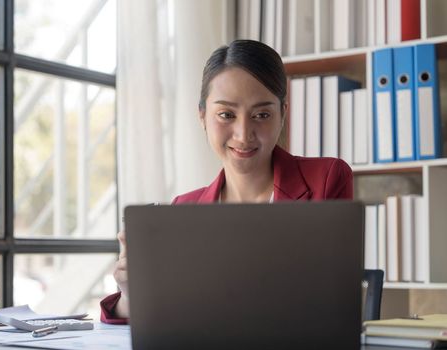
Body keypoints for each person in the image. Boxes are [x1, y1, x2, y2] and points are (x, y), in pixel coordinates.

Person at [100, 40, 353, 324]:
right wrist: (133, 294)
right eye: (226, 115)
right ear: (202, 116)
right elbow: (164, 319)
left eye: (261, 115)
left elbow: (331, 302)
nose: (244, 134)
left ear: (283, 113)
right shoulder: (184, 209)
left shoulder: (327, 177)